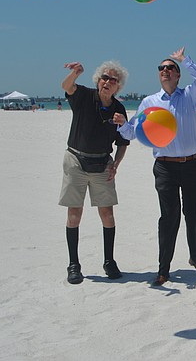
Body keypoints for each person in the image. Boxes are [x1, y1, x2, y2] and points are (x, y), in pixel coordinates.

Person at [115, 48, 196, 286]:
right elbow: (133, 132)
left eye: (170, 68)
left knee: (192, 214)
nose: (165, 71)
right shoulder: (150, 102)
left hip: (192, 164)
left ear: (178, 75)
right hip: (165, 167)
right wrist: (122, 124)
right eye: (162, 68)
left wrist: (184, 60)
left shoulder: (190, 95)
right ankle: (163, 269)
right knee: (169, 217)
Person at [59, 60, 130, 284]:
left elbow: (123, 142)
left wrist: (116, 165)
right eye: (104, 78)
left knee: (107, 215)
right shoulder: (83, 96)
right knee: (74, 215)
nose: (107, 82)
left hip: (102, 164)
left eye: (113, 80)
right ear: (98, 80)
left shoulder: (118, 109)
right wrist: (75, 74)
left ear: (118, 86)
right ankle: (74, 265)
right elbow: (66, 87)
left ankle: (109, 262)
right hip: (76, 161)